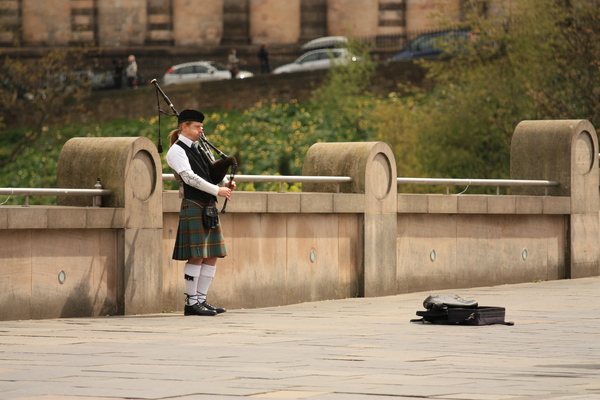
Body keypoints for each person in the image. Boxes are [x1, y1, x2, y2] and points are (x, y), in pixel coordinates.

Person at [166, 109, 236, 316]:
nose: (201, 130)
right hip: (194, 204)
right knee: (196, 256)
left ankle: (202, 300)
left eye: (201, 127)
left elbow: (212, 171)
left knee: (211, 255)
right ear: (184, 127)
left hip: (208, 206)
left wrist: (225, 183)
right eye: (197, 127)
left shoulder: (202, 148)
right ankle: (191, 303)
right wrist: (217, 190)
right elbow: (188, 177)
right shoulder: (176, 151)